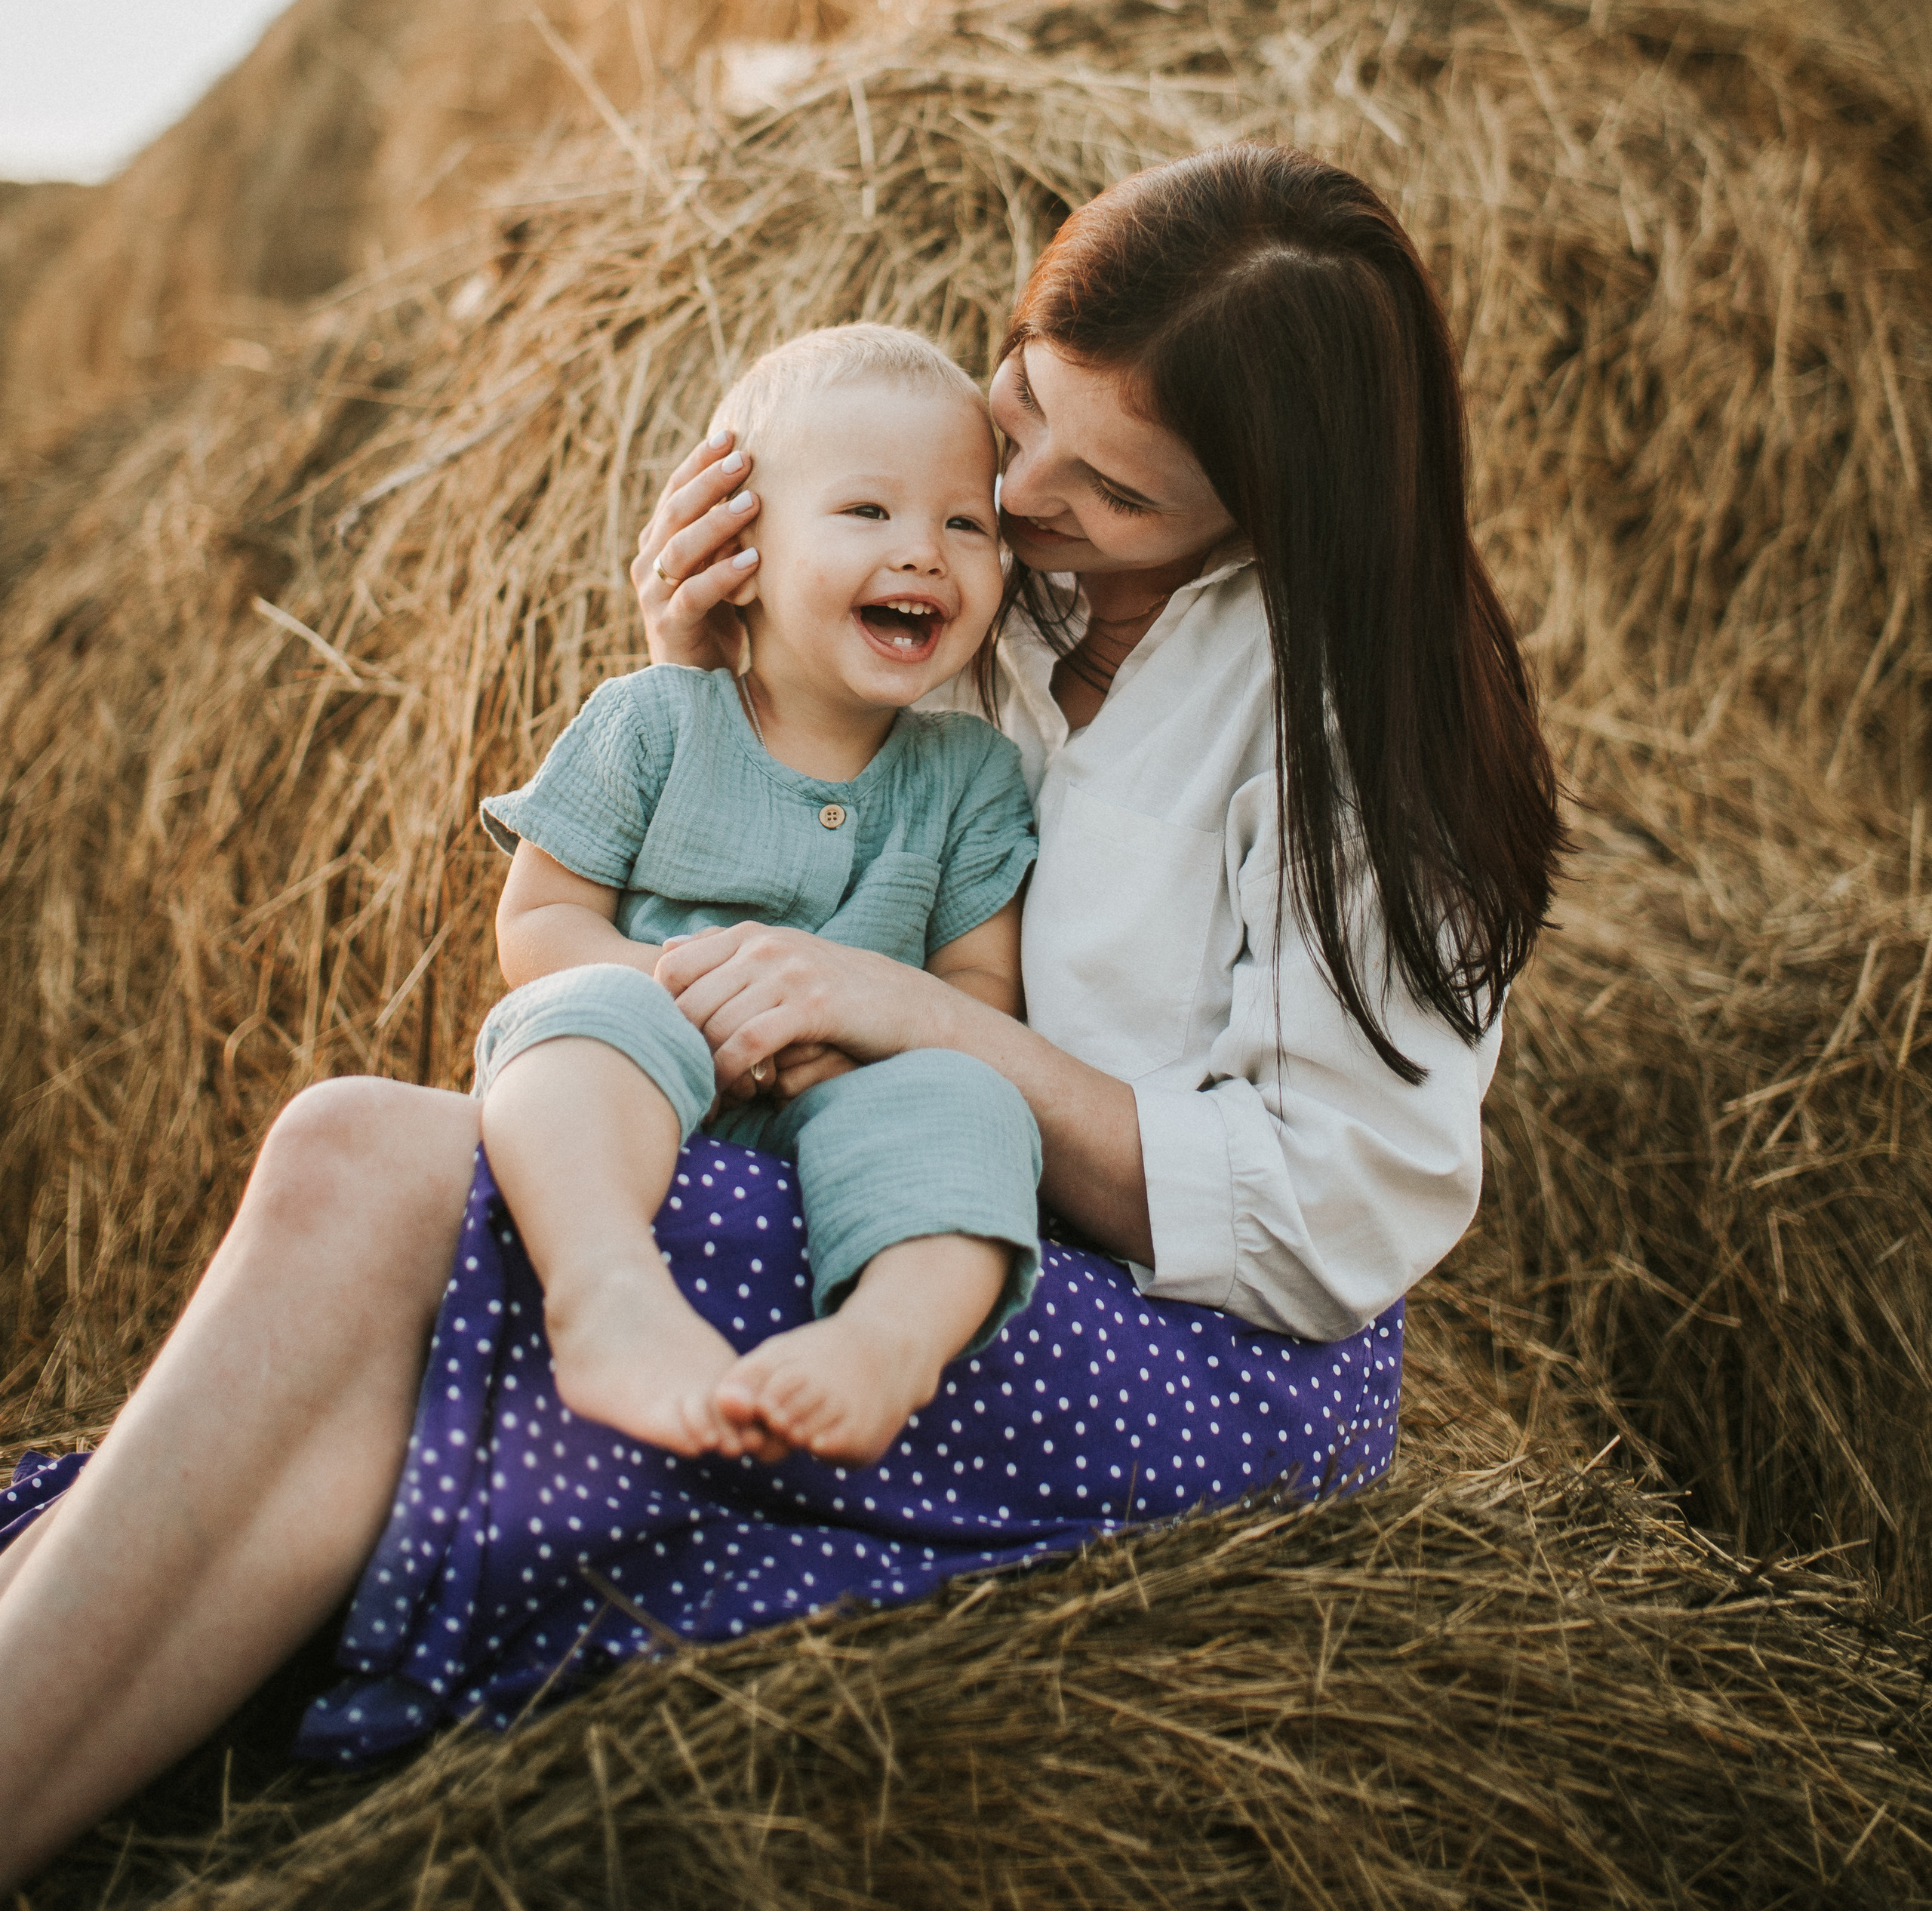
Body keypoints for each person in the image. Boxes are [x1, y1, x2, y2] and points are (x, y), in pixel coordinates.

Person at [0, 143, 1561, 1879]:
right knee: (353, 1225)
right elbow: (819, 799)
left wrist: (918, 1018)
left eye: (1108, 490)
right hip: (890, 1174)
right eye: (1019, 401)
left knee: (371, 1176)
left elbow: (1323, 1228)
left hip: (1187, 1345)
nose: (1014, 487)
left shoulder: (1350, 739)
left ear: (1261, 516)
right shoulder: (1000, 574)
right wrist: (719, 668)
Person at [472, 323, 1042, 1469]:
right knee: (584, 1023)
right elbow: (537, 924)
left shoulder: (973, 776)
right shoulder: (654, 720)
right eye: (868, 511)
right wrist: (676, 992)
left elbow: (979, 990)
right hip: (649, 1058)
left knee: (975, 1100)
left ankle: (887, 1343)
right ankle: (605, 1295)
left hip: (846, 1098)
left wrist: (863, 1032)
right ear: (743, 546)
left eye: (965, 524)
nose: (924, 554)